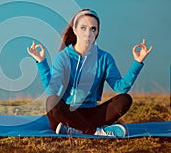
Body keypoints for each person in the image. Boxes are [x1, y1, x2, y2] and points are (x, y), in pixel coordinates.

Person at [26, 9, 153, 137]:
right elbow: (52, 89)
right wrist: (41, 61)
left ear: (97, 32)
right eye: (83, 28)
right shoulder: (63, 57)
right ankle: (96, 132)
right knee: (52, 101)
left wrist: (137, 62)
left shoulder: (104, 58)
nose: (88, 33)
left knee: (125, 99)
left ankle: (75, 129)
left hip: (92, 113)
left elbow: (121, 87)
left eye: (93, 29)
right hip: (67, 112)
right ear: (75, 30)